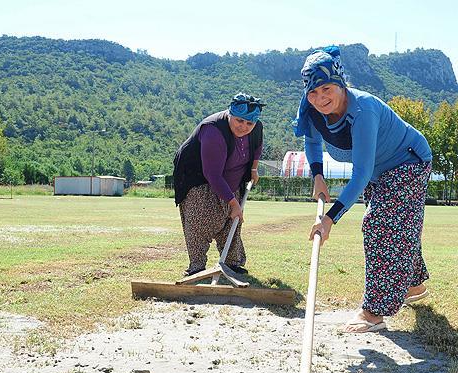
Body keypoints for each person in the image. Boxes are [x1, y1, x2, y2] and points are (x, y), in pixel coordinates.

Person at [293, 46, 433, 333]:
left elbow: (360, 174)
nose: (320, 98)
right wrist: (318, 176)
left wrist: (329, 219)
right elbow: (312, 141)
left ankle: (373, 312)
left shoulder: (363, 109)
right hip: (380, 170)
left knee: (379, 226)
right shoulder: (313, 110)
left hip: (408, 161)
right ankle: (413, 285)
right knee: (398, 226)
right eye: (313, 92)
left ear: (341, 84)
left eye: (327, 89)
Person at [172, 93, 265, 277]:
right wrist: (234, 204)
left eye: (249, 123)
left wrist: (253, 169)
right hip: (198, 178)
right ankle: (197, 266)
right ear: (230, 114)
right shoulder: (213, 130)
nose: (244, 127)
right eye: (239, 121)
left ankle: (232, 263)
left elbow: (257, 147)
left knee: (232, 222)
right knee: (199, 222)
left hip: (233, 178)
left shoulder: (256, 127)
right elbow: (212, 174)